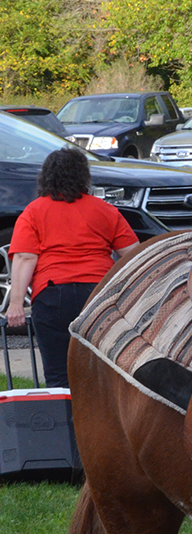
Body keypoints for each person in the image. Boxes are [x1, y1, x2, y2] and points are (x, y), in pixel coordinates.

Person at [6, 147, 139, 387]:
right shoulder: (105, 210)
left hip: (52, 295)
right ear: (83, 177)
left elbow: (26, 258)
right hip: (98, 294)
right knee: (102, 372)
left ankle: (66, 423)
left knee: (59, 374)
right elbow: (133, 254)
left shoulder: (33, 211)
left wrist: (16, 304)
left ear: (46, 177)